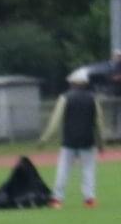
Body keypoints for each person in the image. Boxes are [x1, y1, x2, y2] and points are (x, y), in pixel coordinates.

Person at [39, 71, 103, 207]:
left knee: (63, 169)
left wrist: (45, 138)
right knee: (88, 170)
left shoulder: (65, 97)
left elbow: (55, 121)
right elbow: (98, 122)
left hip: (69, 140)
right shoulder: (93, 98)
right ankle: (89, 199)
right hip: (88, 140)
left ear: (73, 83)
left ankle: (57, 199)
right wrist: (101, 142)